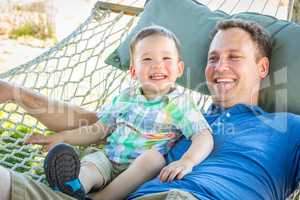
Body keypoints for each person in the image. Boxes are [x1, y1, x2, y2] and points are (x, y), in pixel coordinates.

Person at [0, 18, 299, 200]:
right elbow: (96, 124)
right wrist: (17, 94)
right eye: (212, 58)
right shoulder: (172, 118)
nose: (219, 67)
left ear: (262, 68)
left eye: (234, 57)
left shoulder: (287, 127)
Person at [24, 25, 213, 200]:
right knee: (91, 165)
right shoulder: (126, 97)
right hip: (109, 158)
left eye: (166, 58)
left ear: (179, 69)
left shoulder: (179, 103)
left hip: (140, 171)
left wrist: (187, 161)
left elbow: (203, 136)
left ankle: (101, 198)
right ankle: (73, 185)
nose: (157, 65)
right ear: (133, 71)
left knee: (154, 158)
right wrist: (61, 137)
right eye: (147, 59)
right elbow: (98, 129)